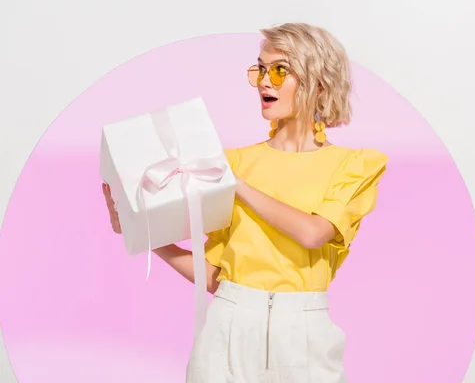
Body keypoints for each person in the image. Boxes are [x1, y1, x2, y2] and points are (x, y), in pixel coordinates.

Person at [102, 22, 388, 383]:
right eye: (261, 69)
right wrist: (141, 232)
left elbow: (314, 233)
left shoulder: (354, 166)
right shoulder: (232, 161)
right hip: (226, 325)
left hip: (302, 332)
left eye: (280, 70)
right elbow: (215, 277)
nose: (265, 81)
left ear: (318, 83)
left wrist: (237, 186)